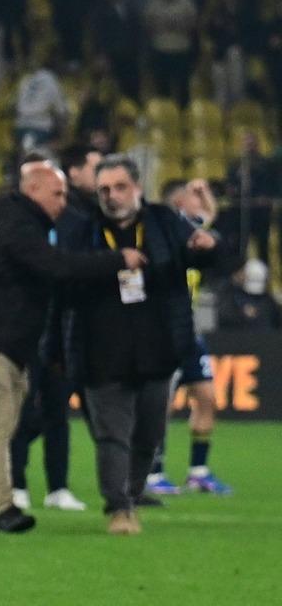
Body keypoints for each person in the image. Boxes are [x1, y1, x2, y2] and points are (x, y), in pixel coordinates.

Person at [0, 163, 141, 533]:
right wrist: (117, 260)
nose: (63, 202)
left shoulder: (18, 222)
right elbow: (57, 266)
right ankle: (4, 507)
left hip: (7, 343)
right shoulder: (18, 226)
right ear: (34, 190)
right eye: (57, 194)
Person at [59, 155, 217, 534]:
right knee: (112, 436)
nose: (111, 196)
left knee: (148, 436)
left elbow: (201, 255)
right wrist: (115, 261)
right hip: (101, 352)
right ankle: (118, 507)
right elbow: (67, 272)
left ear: (137, 188)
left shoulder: (164, 221)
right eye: (104, 190)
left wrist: (208, 247)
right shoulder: (83, 229)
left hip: (157, 351)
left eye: (120, 187)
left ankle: (130, 494)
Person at [9, 144, 101, 513]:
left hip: (61, 328)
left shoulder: (75, 223)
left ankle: (58, 487)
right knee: (20, 409)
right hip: (21, 328)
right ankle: (16, 484)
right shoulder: (9, 222)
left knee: (57, 410)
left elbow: (83, 270)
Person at [146, 178, 233, 497]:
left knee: (207, 397)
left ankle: (198, 472)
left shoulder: (193, 231)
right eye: (194, 198)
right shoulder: (161, 233)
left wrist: (203, 192)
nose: (201, 203)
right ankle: (152, 471)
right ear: (179, 203)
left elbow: (211, 215)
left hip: (190, 333)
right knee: (161, 404)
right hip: (164, 331)